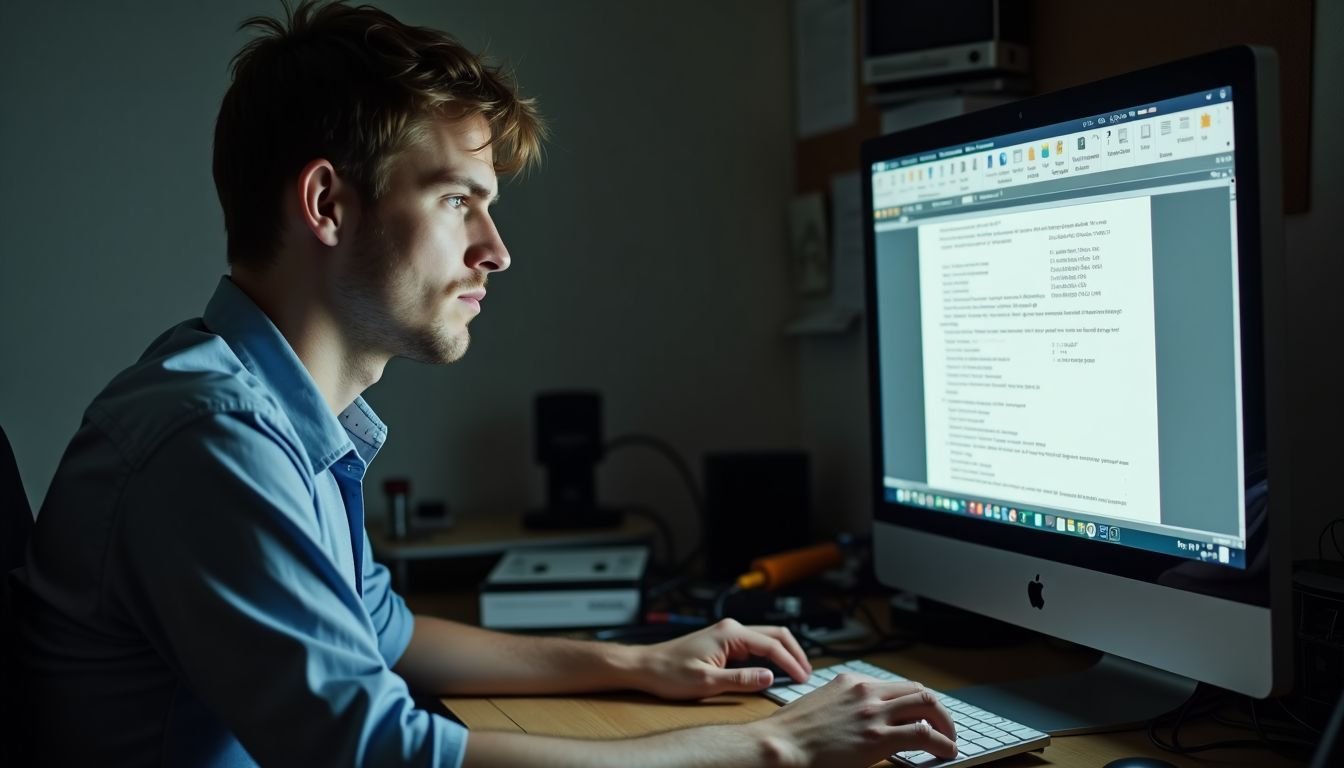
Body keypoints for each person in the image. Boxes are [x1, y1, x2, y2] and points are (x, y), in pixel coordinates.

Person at [13, 2, 957, 765]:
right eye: (459, 200)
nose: (495, 252)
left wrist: (642, 665)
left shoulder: (274, 417)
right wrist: (770, 745)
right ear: (327, 204)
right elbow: (375, 750)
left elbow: (379, 634)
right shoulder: (212, 436)